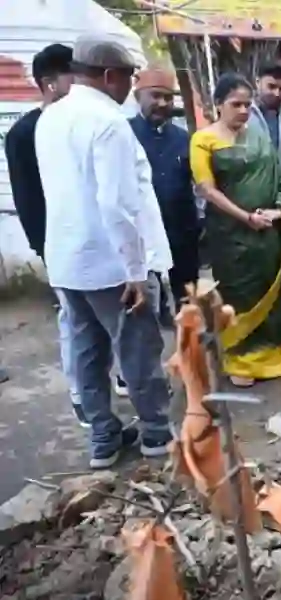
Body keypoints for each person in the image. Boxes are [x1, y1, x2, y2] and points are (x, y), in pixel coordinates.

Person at [35, 35, 173, 468]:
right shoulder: (108, 122)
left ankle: (103, 438)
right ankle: (155, 433)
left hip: (67, 261)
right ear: (111, 76)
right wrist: (136, 270)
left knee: (87, 355)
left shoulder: (49, 117)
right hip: (111, 265)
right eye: (130, 77)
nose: (131, 86)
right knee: (137, 351)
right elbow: (116, 204)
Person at [190, 73, 281, 387]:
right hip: (230, 237)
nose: (244, 110)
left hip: (268, 231)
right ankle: (242, 362)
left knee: (276, 294)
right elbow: (207, 190)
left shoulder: (259, 137)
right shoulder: (203, 140)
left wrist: (278, 209)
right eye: (236, 104)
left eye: (248, 105)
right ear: (218, 104)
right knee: (240, 294)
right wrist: (245, 217)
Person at [3, 44, 87, 423]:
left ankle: (117, 379)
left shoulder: (85, 122)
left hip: (95, 241)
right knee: (74, 319)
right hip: (59, 244)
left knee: (114, 317)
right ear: (50, 83)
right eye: (74, 75)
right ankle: (80, 393)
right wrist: (45, 247)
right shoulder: (24, 133)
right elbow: (27, 199)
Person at [129, 69, 199, 325]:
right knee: (148, 292)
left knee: (187, 289)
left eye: (168, 97)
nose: (162, 103)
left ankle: (187, 331)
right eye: (155, 96)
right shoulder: (124, 134)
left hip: (181, 226)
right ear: (138, 96)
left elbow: (196, 181)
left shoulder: (183, 138)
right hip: (143, 229)